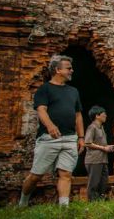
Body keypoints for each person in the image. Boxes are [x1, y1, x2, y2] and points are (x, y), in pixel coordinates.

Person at [19, 55, 84, 207]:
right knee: (36, 175)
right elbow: (41, 110)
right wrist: (50, 125)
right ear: (57, 70)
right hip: (49, 138)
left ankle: (63, 208)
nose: (71, 70)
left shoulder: (73, 91)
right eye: (68, 68)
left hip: (69, 138)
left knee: (66, 174)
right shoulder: (44, 89)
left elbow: (78, 115)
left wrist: (81, 137)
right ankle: (23, 202)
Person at [84, 105, 114, 201]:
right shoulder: (92, 127)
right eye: (103, 114)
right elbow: (87, 143)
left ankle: (100, 201)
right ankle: (92, 203)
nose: (105, 115)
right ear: (97, 116)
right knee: (94, 183)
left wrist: (109, 147)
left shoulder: (101, 128)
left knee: (103, 182)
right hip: (94, 160)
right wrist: (103, 148)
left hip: (103, 159)